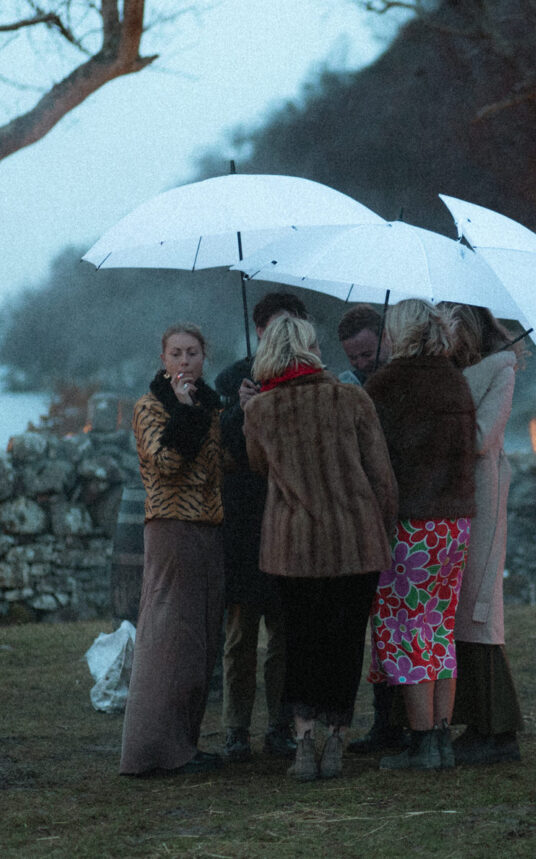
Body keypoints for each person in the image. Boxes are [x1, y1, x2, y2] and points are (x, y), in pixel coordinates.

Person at [242, 315, 397, 781]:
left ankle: (304, 743)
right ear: (311, 348)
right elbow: (381, 477)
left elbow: (258, 467)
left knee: (301, 644)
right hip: (354, 543)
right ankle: (336, 741)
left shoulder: (261, 411)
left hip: (294, 548)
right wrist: (381, 532)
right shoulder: (351, 398)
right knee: (345, 644)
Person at [364, 299, 477, 771]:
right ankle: (442, 739)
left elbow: (371, 455)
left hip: (410, 523)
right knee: (439, 628)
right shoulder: (455, 379)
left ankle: (421, 742)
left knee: (405, 631)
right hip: (456, 522)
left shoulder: (388, 383)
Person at [120, 323, 226, 776]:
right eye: (176, 354)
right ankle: (152, 750)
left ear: (205, 358)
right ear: (163, 359)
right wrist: (183, 411)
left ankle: (183, 743)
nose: (185, 362)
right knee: (168, 638)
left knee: (199, 642)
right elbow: (164, 463)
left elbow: (221, 464)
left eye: (193, 353)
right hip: (171, 527)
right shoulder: (150, 407)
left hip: (208, 527)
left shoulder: (210, 406)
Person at [214, 292, 310, 762]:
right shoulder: (232, 378)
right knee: (239, 635)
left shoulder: (309, 383)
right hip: (244, 520)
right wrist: (239, 408)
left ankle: (280, 725)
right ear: (258, 331)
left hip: (289, 517)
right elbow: (222, 450)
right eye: (275, 326)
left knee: (286, 633)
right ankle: (235, 729)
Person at [447, 305, 525, 765]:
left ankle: (496, 727)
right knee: (455, 605)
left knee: (478, 604)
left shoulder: (501, 370)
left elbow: (481, 436)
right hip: (452, 493)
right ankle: (474, 720)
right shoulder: (453, 370)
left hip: (482, 492)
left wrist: (438, 418)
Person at [338, 302, 403, 754]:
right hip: (361, 519)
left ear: (385, 340)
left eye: (367, 353)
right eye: (354, 357)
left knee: (401, 623)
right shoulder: (346, 389)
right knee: (378, 628)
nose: (362, 364)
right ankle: (384, 722)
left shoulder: (400, 383)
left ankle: (401, 720)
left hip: (402, 515)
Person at [336, 303, 386, 386]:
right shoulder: (347, 385)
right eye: (353, 358)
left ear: (385, 336)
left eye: (367, 355)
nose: (362, 365)